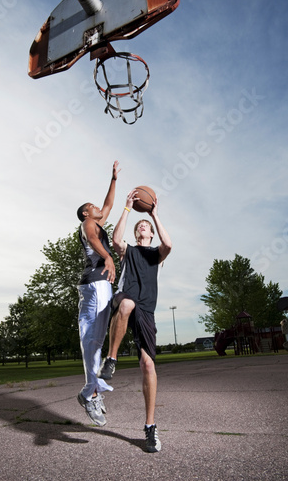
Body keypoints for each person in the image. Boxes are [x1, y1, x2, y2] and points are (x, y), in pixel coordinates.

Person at [98, 188, 172, 451]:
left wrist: (154, 214)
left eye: (146, 226)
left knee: (148, 366)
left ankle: (150, 427)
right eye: (140, 225)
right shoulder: (127, 250)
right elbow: (116, 238)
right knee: (127, 303)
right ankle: (112, 359)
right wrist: (128, 209)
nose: (143, 227)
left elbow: (169, 244)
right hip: (125, 296)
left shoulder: (156, 254)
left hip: (147, 310)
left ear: (151, 233)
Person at [76, 160, 120, 426]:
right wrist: (109, 257)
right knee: (92, 339)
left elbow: (109, 205)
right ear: (85, 214)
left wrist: (113, 179)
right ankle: (91, 392)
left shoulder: (98, 221)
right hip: (95, 281)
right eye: (92, 207)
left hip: (101, 283)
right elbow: (94, 241)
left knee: (97, 339)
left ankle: (89, 391)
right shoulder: (87, 226)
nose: (97, 209)